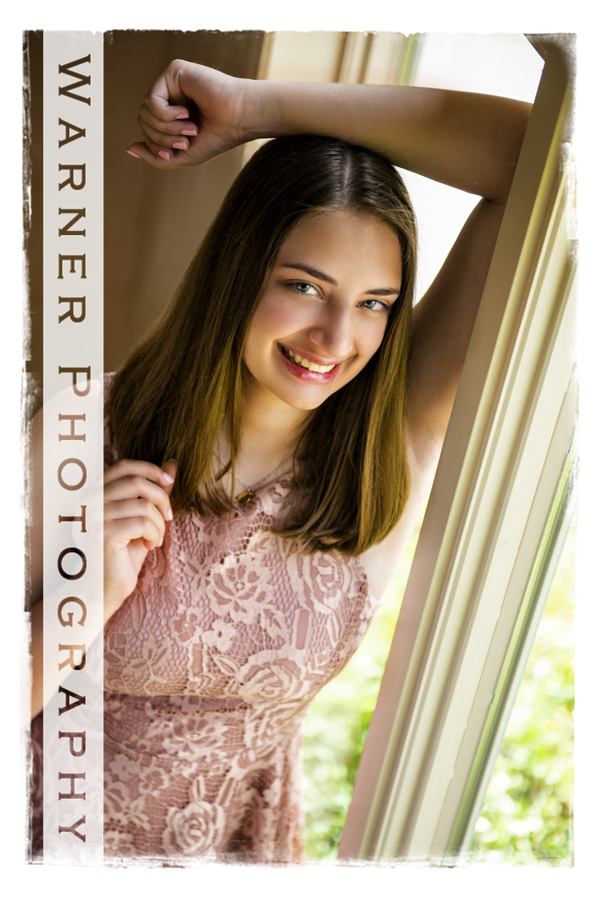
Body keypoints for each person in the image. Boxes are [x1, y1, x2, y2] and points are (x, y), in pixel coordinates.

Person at [29, 59, 531, 864]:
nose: (337, 340)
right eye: (305, 286)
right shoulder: (89, 428)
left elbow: (548, 148)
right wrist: (80, 603)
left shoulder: (388, 445)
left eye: (373, 303)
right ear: (240, 267)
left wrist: (259, 107)